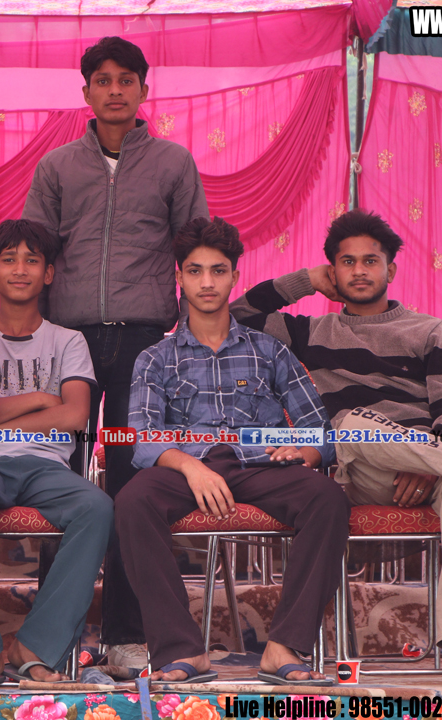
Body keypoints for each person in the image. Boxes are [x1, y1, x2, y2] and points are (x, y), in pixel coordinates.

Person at [229, 208, 442, 687]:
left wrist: (429, 467)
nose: (360, 271)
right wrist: (305, 281)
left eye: (371, 261)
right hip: (359, 473)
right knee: (350, 424)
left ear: (390, 269)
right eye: (347, 262)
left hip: (433, 470)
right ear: (333, 271)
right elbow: (235, 316)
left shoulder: (428, 330)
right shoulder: (311, 332)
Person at [22, 36, 209, 666]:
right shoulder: (56, 167)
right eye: (102, 80)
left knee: (133, 486)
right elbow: (34, 254)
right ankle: (54, 639)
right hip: (68, 341)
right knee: (58, 477)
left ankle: (128, 636)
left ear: (143, 91)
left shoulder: (173, 163)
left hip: (143, 344)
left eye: (126, 80)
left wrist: (190, 337)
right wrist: (33, 336)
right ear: (86, 92)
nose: (114, 90)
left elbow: (195, 250)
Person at [118, 216, 347, 686]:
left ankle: (284, 647)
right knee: (132, 500)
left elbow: (319, 430)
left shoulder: (269, 351)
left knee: (327, 498)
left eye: (218, 271)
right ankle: (182, 650)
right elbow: (144, 436)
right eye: (195, 271)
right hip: (186, 468)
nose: (207, 282)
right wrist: (191, 467)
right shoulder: (155, 357)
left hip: (261, 465)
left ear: (234, 277)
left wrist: (304, 454)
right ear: (180, 278)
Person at [0, 219, 111, 687]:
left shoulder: (67, 340)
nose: (20, 269)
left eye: (32, 260)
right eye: (9, 260)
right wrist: (38, 399)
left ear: (49, 273)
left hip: (46, 463)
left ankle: (34, 646)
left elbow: (75, 415)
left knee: (97, 507)